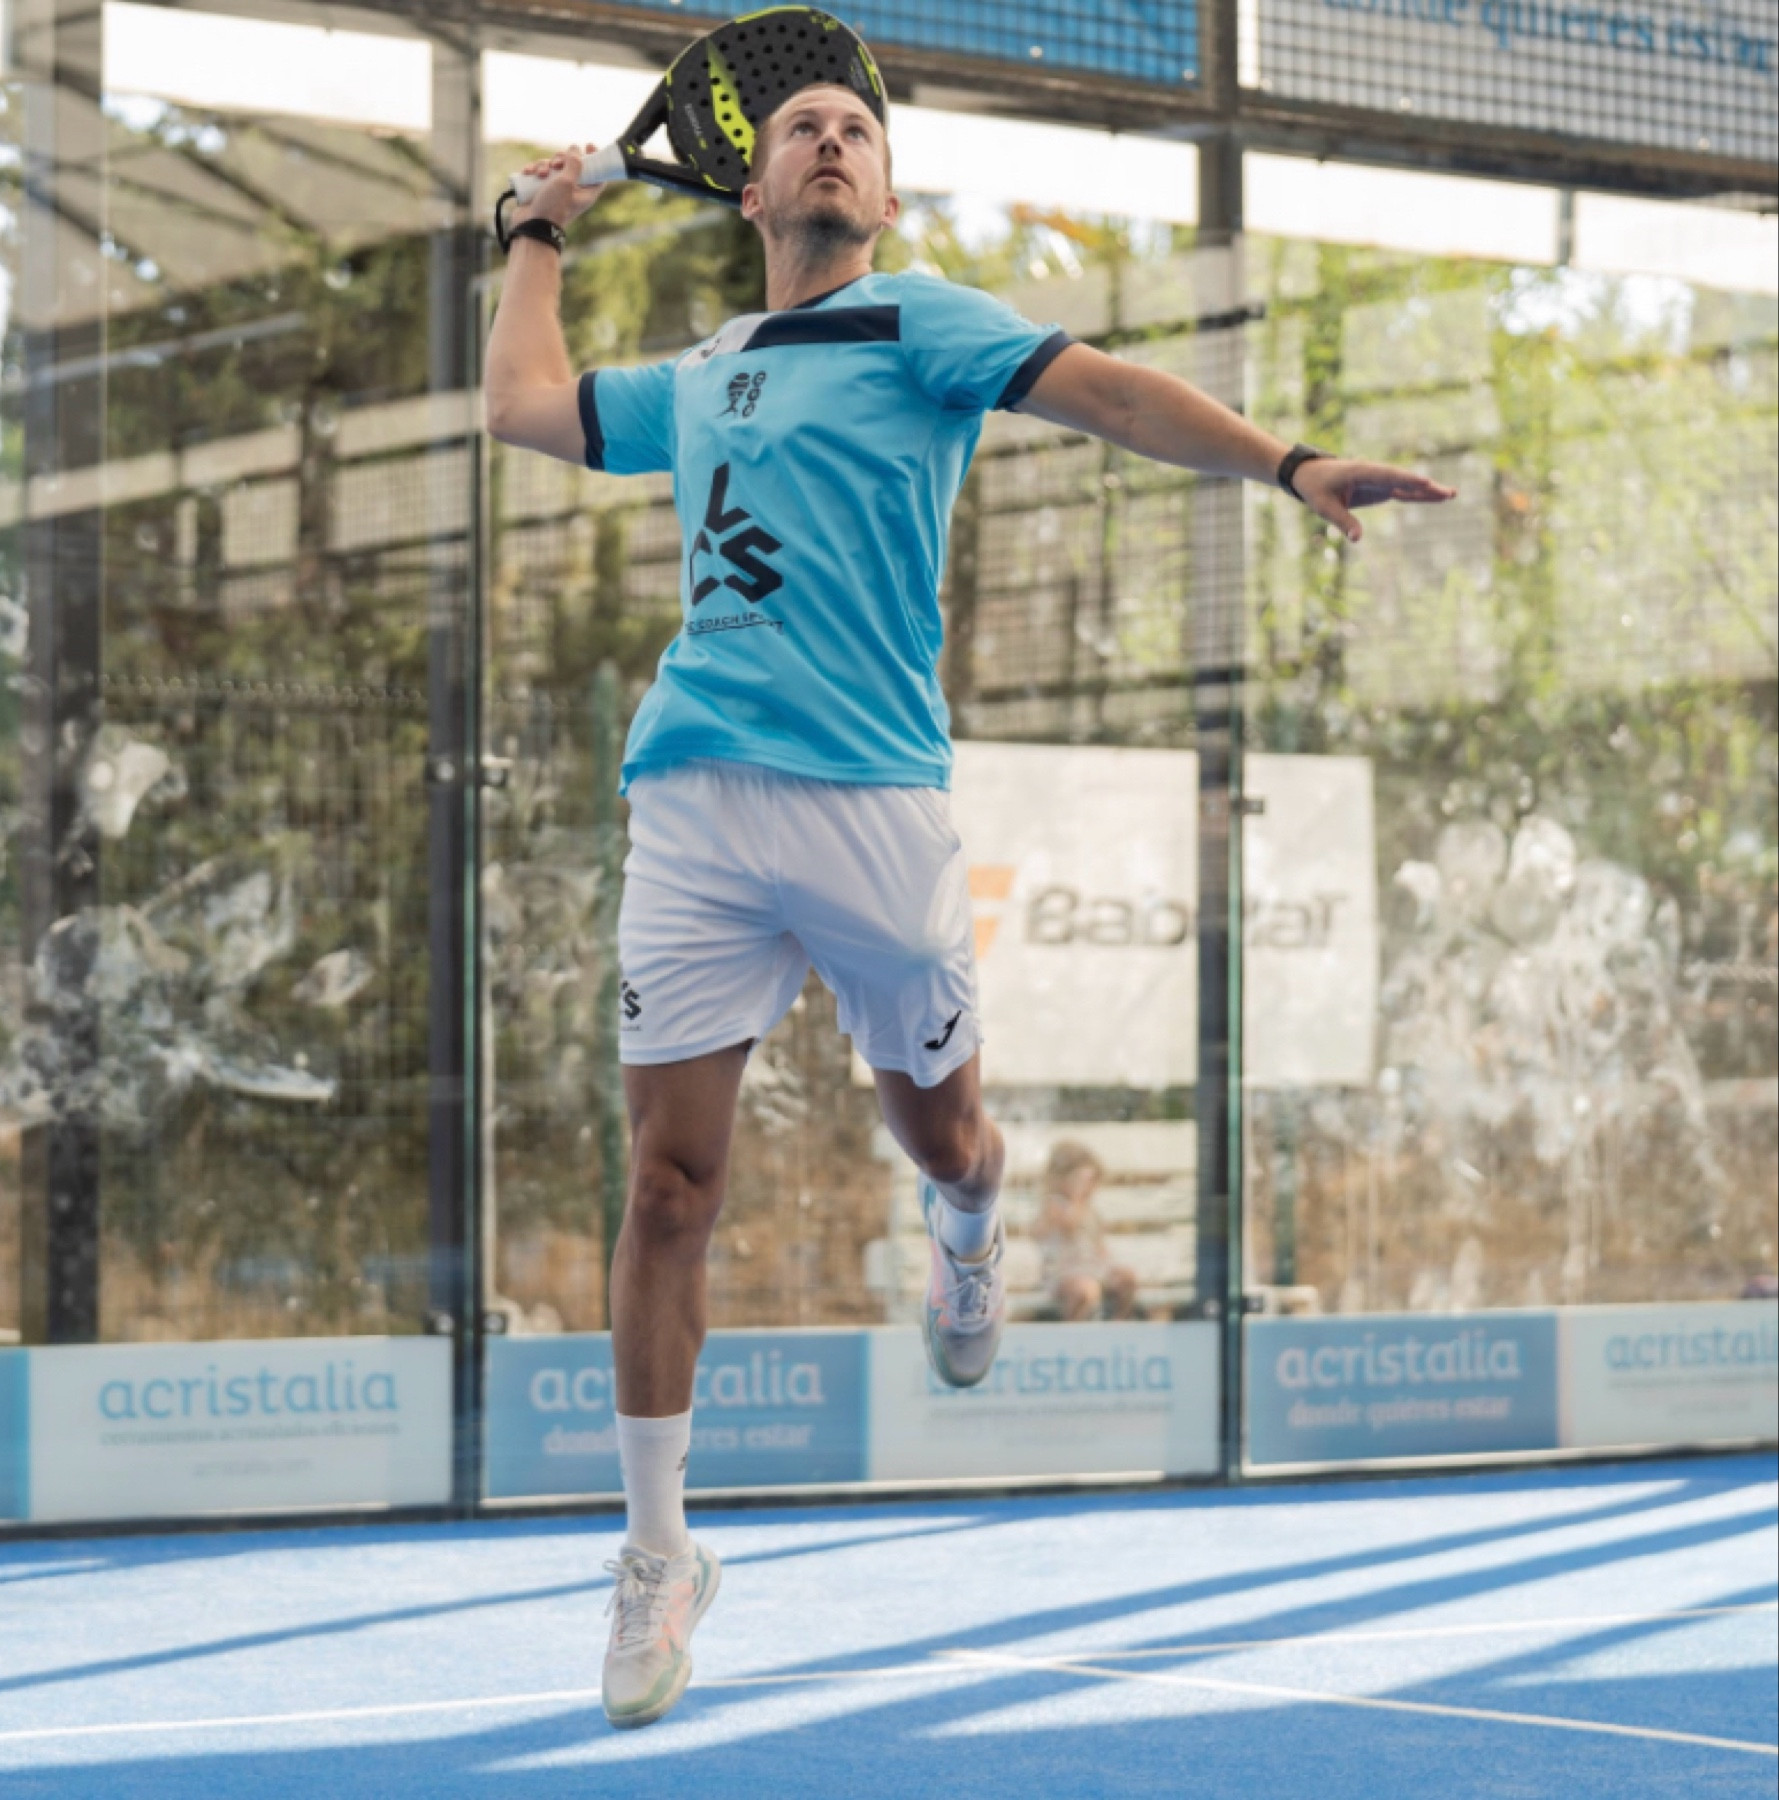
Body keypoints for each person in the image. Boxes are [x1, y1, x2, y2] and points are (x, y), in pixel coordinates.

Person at [485, 76, 1454, 1733]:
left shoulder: (917, 322)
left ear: (881, 197)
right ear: (749, 192)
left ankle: (967, 1219)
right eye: (800, 127)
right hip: (695, 791)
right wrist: (528, 235)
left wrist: (1284, 461)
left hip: (874, 802)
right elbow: (521, 406)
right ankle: (655, 1556)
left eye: (856, 132)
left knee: (941, 1136)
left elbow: (1117, 397)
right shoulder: (702, 372)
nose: (830, 139)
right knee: (664, 1185)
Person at [1035, 1140, 1138, 1322]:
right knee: (1087, 1291)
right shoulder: (1054, 1205)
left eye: (1091, 1181)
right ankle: (1074, 1332)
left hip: (1094, 1269)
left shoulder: (1090, 1210)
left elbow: (1099, 1244)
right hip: (1064, 1273)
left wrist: (1110, 1266)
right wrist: (1076, 1197)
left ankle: (1119, 1324)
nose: (1088, 1188)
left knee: (1127, 1279)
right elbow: (1070, 1224)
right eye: (1082, 1181)